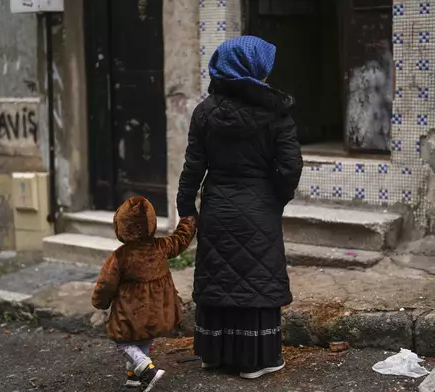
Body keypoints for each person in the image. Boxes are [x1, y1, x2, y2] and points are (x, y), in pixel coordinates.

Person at [177, 35, 303, 379]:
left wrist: (186, 206)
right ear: (254, 69)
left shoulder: (204, 112)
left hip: (217, 204)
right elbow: (290, 166)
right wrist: (276, 198)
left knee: (219, 275)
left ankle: (213, 355)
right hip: (259, 205)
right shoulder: (277, 112)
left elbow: (193, 167)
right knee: (256, 278)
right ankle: (257, 361)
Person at [91, 196, 196, 391]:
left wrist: (100, 301)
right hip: (157, 308)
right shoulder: (161, 247)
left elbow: (106, 283)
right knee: (144, 339)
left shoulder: (120, 256)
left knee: (122, 341)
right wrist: (188, 220)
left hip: (131, 311)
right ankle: (134, 378)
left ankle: (148, 370)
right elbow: (181, 239)